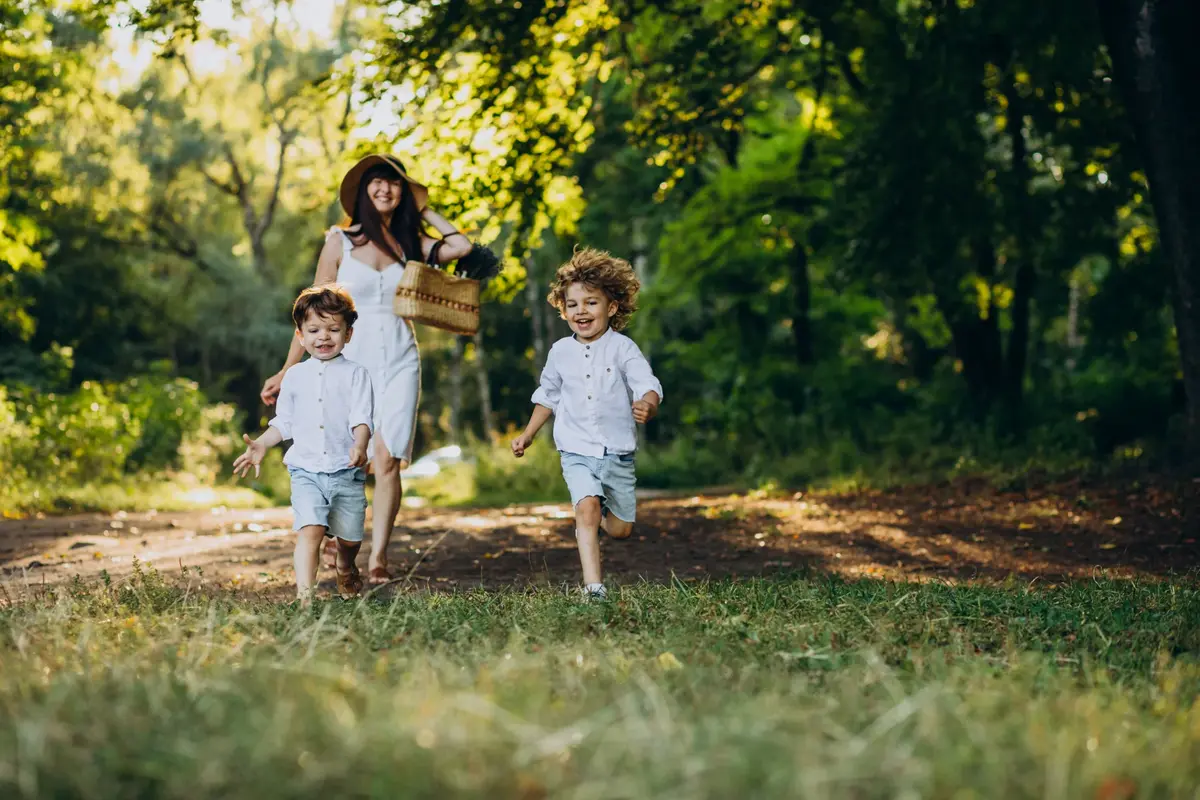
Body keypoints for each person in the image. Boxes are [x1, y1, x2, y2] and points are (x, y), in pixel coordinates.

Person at [259, 154, 472, 585]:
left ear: (402, 191)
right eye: (376, 182)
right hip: (349, 361)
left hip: (399, 357)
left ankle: (379, 557)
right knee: (349, 456)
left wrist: (424, 206)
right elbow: (311, 312)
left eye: (394, 184)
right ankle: (344, 542)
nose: (384, 190)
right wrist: (287, 370)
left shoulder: (411, 242)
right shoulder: (339, 240)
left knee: (387, 457)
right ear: (362, 191)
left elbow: (461, 246)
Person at [510, 247, 663, 600]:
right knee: (587, 508)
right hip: (576, 449)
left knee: (621, 530)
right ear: (563, 310)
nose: (582, 311)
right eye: (573, 304)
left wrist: (647, 405)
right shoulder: (560, 352)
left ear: (611, 308)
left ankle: (607, 513)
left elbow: (647, 384)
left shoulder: (623, 348)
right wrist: (528, 434)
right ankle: (594, 588)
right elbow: (547, 396)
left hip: (617, 452)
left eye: (591, 303)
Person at [234, 286, 374, 604]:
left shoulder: (356, 375)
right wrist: (263, 444)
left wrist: (360, 445)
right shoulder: (294, 377)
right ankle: (305, 599)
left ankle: (345, 563)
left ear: (348, 334)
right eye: (313, 330)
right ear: (300, 335)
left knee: (351, 538)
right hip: (306, 470)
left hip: (346, 470)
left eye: (333, 329)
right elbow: (285, 422)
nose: (323, 337)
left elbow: (362, 418)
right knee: (309, 530)